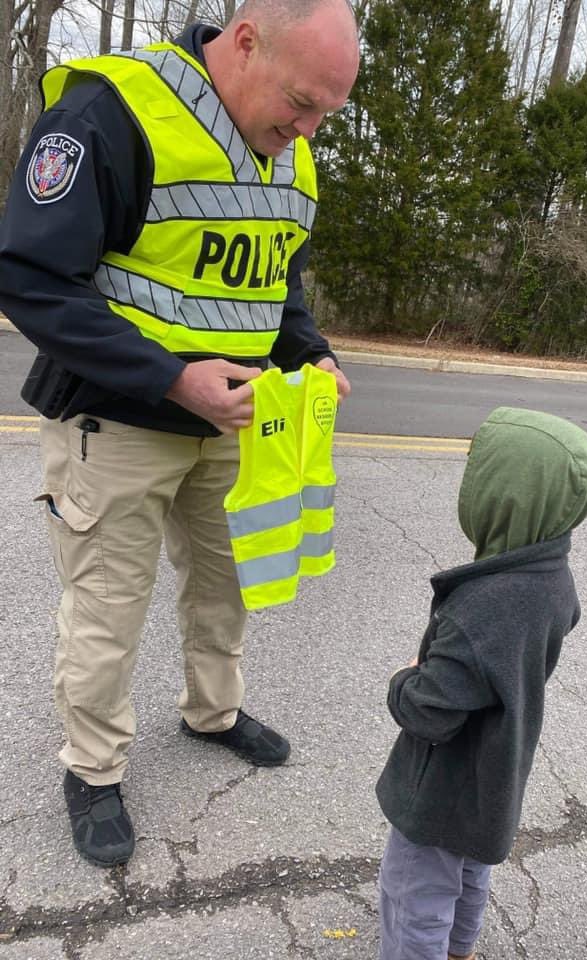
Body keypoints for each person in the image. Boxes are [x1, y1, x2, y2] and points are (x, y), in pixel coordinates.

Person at [0, 0, 359, 868]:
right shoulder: (111, 111)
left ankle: (214, 712)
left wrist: (313, 354)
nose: (308, 128)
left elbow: (277, 288)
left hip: (232, 425)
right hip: (117, 419)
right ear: (244, 43)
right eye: (301, 102)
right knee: (107, 611)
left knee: (224, 585)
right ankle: (91, 770)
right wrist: (171, 376)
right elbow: (30, 273)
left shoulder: (291, 154)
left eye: (325, 115)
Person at [375, 406, 587, 960]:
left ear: (501, 495)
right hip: (497, 767)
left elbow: (429, 712)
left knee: (415, 892)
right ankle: (462, 951)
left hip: (443, 784)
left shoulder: (484, 606)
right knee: (470, 867)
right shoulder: (550, 574)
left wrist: (406, 677)